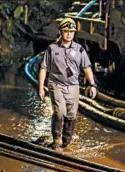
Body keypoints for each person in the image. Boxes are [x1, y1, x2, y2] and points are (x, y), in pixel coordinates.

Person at [38, 18, 97, 149]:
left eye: (71, 31)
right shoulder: (52, 49)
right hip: (56, 85)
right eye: (66, 31)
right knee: (59, 112)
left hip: (73, 86)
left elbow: (87, 68)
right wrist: (41, 87)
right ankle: (56, 139)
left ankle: (66, 141)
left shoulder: (79, 49)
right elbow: (43, 68)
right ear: (60, 32)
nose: (69, 34)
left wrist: (92, 85)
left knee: (71, 114)